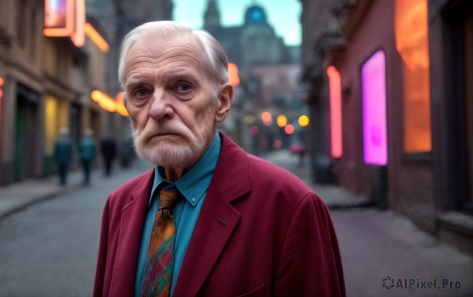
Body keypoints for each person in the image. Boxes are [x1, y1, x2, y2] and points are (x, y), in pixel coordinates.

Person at [93, 21, 345, 297]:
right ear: (127, 106)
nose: (158, 109)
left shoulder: (290, 205)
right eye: (141, 92)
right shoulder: (118, 205)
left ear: (222, 102)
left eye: (183, 87)